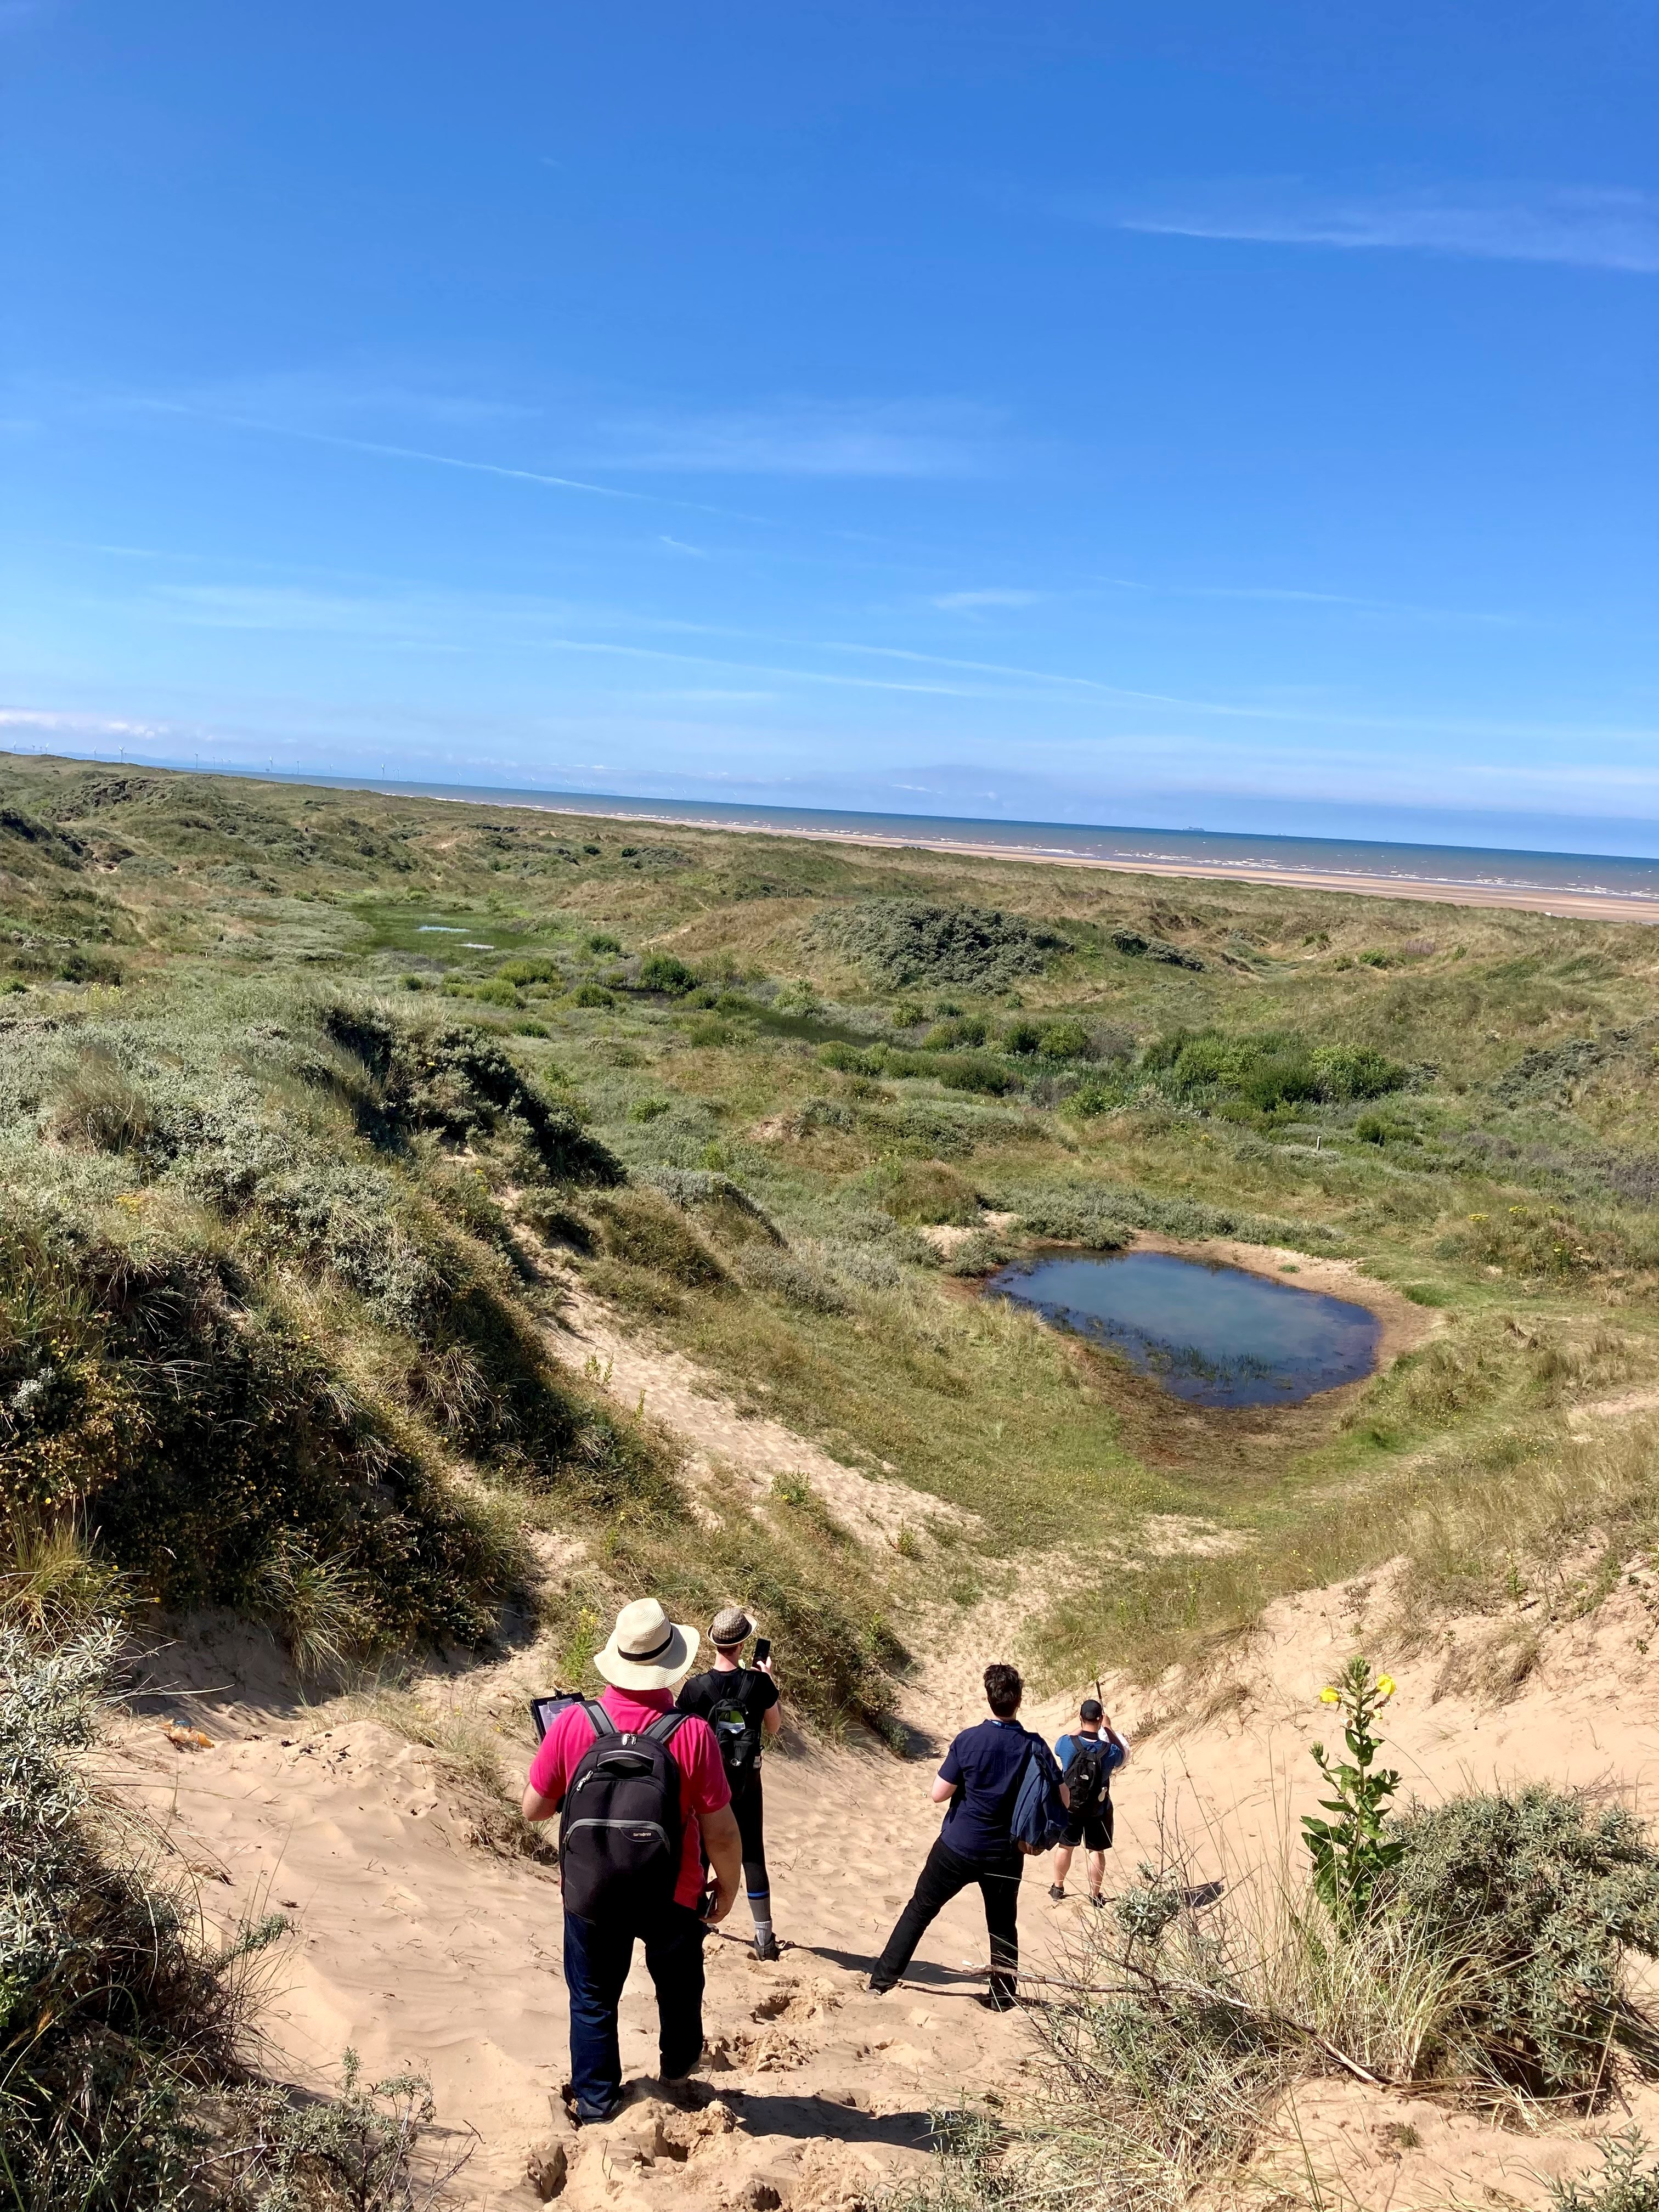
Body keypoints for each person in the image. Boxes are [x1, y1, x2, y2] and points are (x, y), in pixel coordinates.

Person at [521, 1597, 743, 2125]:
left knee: (594, 1997)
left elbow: (533, 1810)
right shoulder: (691, 1734)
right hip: (673, 1890)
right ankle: (676, 2072)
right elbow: (722, 1831)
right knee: (679, 1985)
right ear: (670, 1664)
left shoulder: (573, 1724)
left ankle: (597, 2103)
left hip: (591, 1890)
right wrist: (728, 1887)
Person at [868, 1662, 1049, 2013]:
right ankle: (1003, 1997)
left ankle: (882, 1980)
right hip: (1005, 1852)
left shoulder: (969, 1740)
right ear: (1019, 1700)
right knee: (1002, 1925)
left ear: (989, 1698)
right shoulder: (1034, 1746)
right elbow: (1062, 1797)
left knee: (920, 1909)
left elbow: (938, 1793)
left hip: (958, 1846)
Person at [675, 1606, 784, 1960]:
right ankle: (764, 1938)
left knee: (703, 1849)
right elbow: (774, 1727)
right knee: (752, 1852)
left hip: (707, 1779)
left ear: (715, 1643)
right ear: (743, 1645)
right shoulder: (759, 1684)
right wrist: (768, 1681)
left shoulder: (695, 1688)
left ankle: (697, 1921)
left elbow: (681, 1734)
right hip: (747, 1779)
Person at [1049, 1697, 1128, 1908]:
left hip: (1070, 1806)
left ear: (1081, 1718)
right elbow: (1123, 1755)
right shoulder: (1109, 1751)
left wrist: (1083, 1727)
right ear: (1100, 1718)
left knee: (1065, 1847)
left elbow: (1061, 1743)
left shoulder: (1068, 1744)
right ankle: (1095, 1894)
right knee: (1096, 1851)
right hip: (1098, 1807)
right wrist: (1108, 1728)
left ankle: (1058, 1887)